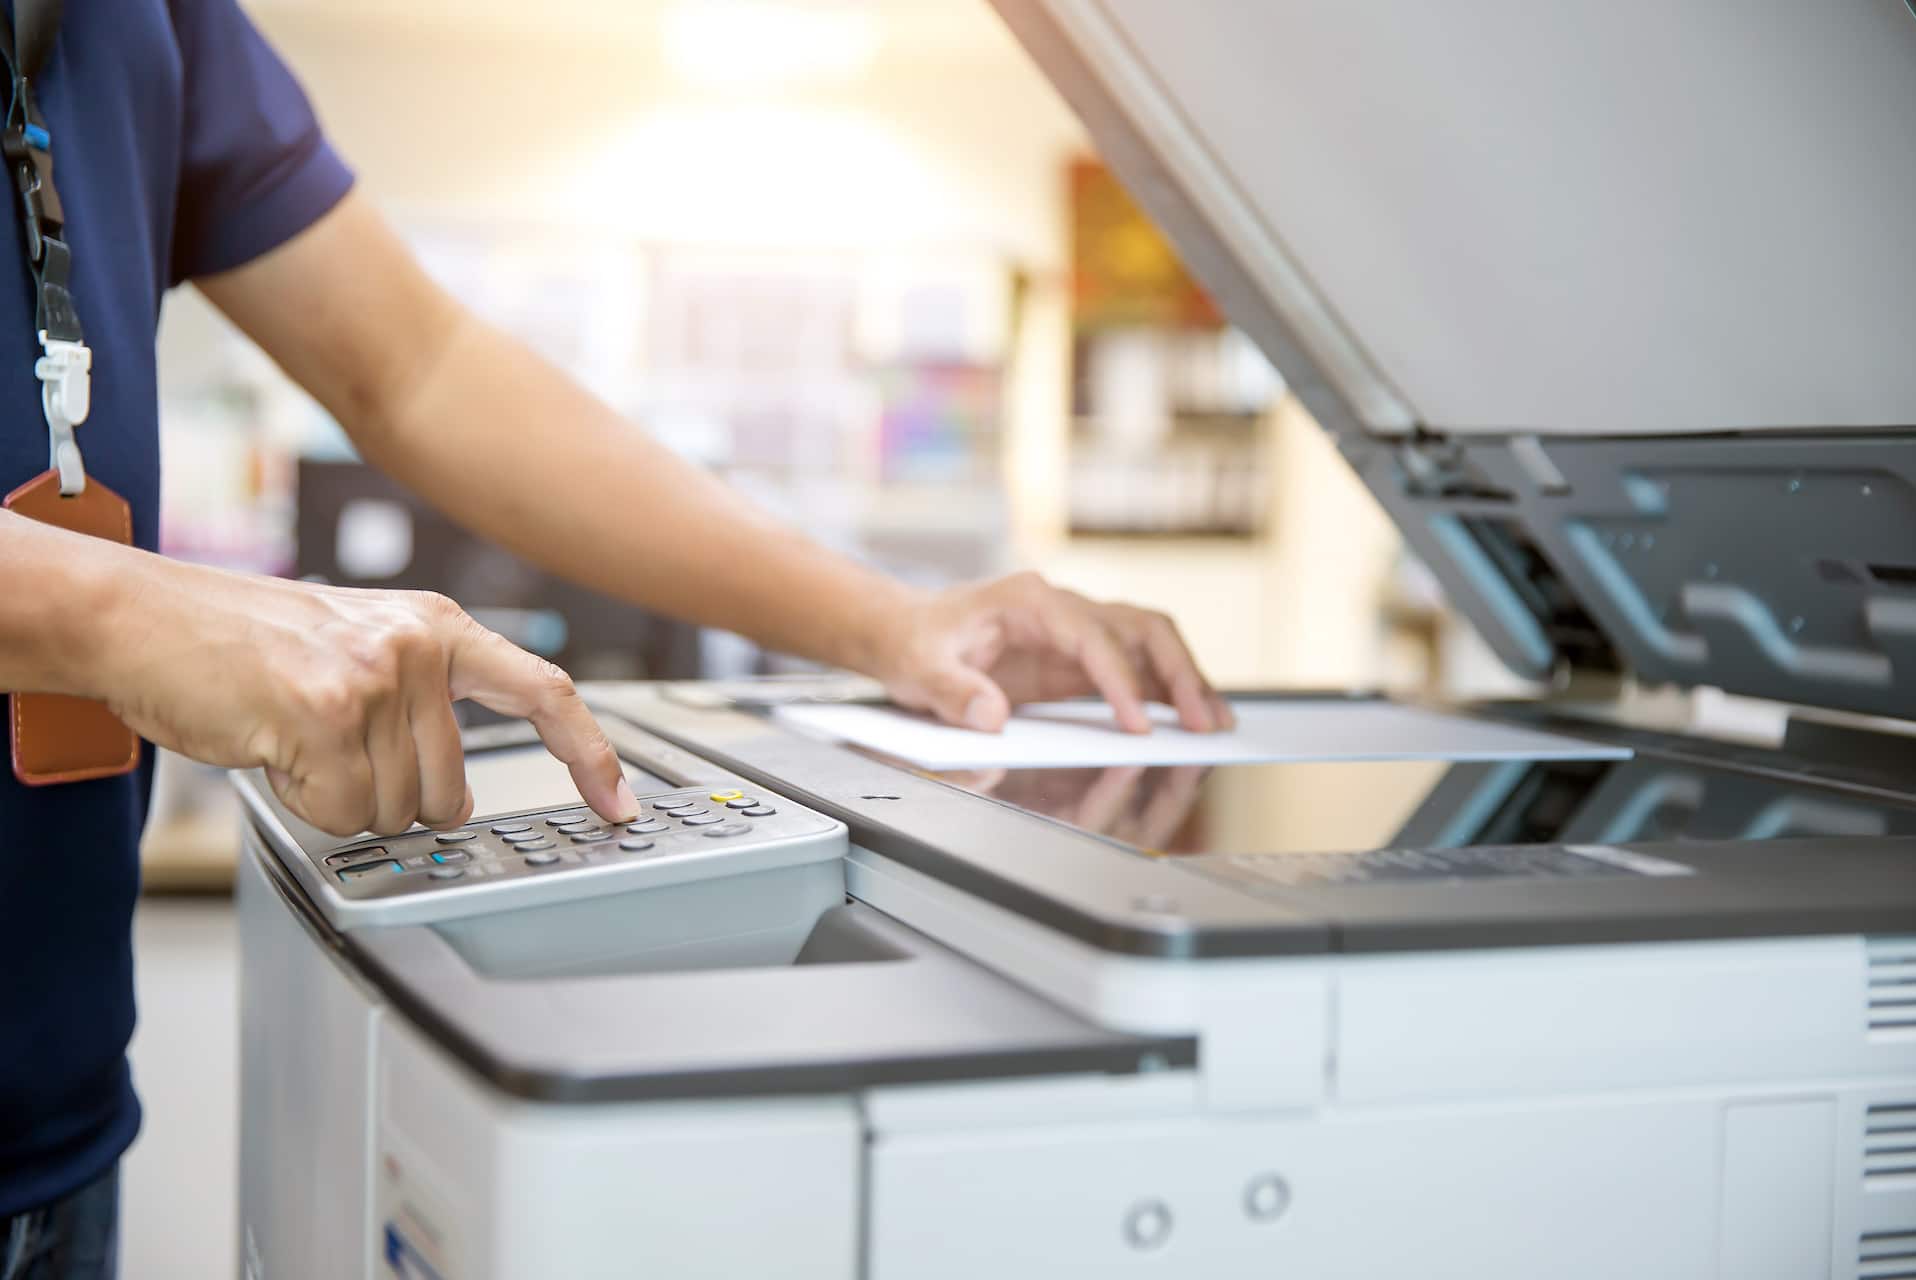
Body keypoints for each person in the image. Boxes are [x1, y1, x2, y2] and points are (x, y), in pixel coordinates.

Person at [0, 2, 1230, 1274]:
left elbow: (418, 367)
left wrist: (895, 619)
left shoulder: (141, 17)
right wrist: (126, 608)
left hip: (63, 1120)